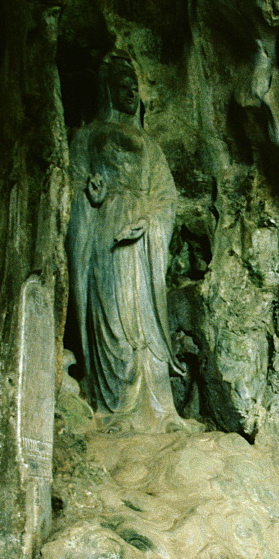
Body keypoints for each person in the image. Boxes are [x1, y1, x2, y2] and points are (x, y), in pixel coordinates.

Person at [66, 50, 198, 434]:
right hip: (105, 232)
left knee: (145, 323)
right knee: (113, 320)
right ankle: (116, 406)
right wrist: (89, 196)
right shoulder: (88, 135)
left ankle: (158, 408)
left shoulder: (148, 145)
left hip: (142, 239)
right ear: (107, 90)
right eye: (120, 85)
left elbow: (167, 196)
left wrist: (150, 220)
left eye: (132, 85)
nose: (128, 91)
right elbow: (71, 184)